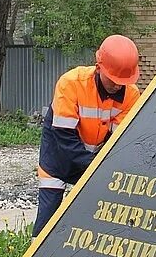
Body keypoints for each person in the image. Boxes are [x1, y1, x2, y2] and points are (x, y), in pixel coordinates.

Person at [31, 35, 142, 236]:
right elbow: (63, 137)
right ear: (99, 67)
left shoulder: (132, 96)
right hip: (58, 156)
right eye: (114, 79)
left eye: (122, 81)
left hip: (95, 159)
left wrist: (102, 169)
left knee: (98, 213)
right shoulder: (71, 83)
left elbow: (118, 143)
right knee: (48, 215)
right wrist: (94, 166)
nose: (118, 86)